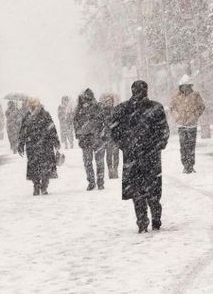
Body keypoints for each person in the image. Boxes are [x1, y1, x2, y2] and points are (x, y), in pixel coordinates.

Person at [109, 80, 170, 233]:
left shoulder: (123, 109)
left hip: (134, 156)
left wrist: (125, 145)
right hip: (150, 156)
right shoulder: (155, 108)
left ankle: (142, 220)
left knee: (138, 191)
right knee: (152, 189)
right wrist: (158, 144)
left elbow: (114, 130)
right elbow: (164, 130)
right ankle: (154, 218)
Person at [16, 98, 60, 196]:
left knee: (46, 167)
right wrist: (21, 144)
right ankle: (36, 185)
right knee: (34, 168)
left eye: (34, 105)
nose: (32, 107)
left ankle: (44, 186)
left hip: (45, 145)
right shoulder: (27, 117)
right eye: (31, 105)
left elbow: (52, 129)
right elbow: (23, 132)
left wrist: (56, 141)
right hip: (32, 146)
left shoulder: (45, 115)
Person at [72, 88, 109, 191]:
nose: (86, 101)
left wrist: (103, 133)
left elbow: (105, 122)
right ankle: (95, 182)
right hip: (90, 139)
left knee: (95, 162)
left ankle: (97, 181)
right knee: (92, 162)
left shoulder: (97, 107)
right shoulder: (80, 109)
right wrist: (79, 135)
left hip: (96, 138)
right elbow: (75, 124)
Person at [168, 76, 205, 173]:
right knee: (183, 145)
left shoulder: (195, 95)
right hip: (181, 125)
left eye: (187, 86)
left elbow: (201, 107)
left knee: (191, 146)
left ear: (190, 86)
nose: (185, 88)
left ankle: (191, 165)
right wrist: (177, 117)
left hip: (192, 125)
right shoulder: (176, 96)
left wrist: (195, 116)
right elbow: (172, 108)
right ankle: (185, 165)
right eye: (183, 86)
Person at [101, 94, 121, 179]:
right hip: (107, 135)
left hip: (115, 135)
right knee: (109, 154)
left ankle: (115, 169)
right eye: (107, 101)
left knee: (116, 154)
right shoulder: (102, 111)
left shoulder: (116, 110)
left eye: (110, 101)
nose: (109, 102)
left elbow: (119, 121)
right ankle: (110, 170)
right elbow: (102, 123)